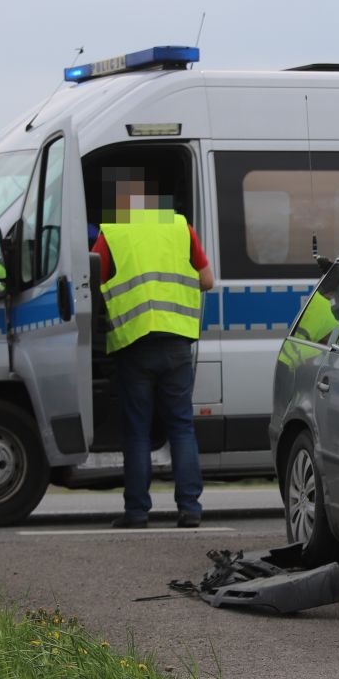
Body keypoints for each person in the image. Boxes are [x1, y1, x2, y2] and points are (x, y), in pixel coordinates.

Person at [91, 168, 215, 528]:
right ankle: (190, 509)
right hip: (177, 341)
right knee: (181, 426)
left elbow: (92, 283)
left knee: (138, 430)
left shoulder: (111, 234)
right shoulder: (180, 226)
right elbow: (207, 280)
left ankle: (137, 512)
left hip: (135, 344)